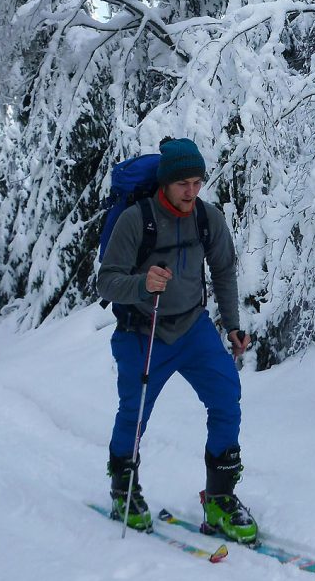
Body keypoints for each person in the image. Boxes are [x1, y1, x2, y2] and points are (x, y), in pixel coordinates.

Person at [96, 137, 257, 542]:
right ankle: (124, 490)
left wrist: (232, 325)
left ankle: (219, 499)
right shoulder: (136, 220)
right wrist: (141, 284)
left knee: (226, 396)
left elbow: (223, 271)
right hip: (143, 333)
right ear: (166, 183)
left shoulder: (208, 218)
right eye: (183, 183)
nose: (191, 191)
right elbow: (107, 281)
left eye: (197, 182)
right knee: (134, 414)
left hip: (192, 327)